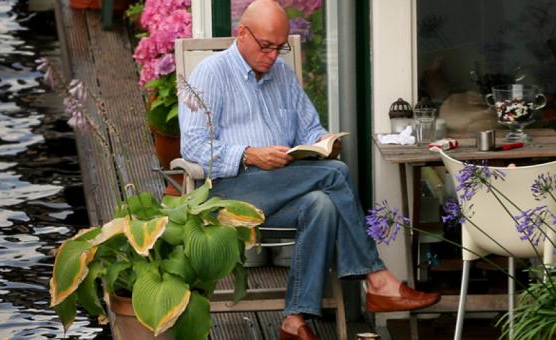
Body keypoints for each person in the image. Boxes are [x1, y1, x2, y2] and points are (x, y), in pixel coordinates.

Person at [176, 1, 440, 339]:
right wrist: (250, 155)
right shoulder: (211, 73)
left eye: (279, 47)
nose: (273, 56)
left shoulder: (282, 74)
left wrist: (323, 141)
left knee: (323, 204)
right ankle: (376, 278)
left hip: (279, 189)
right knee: (335, 174)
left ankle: (294, 320)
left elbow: (308, 128)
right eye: (266, 46)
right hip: (229, 194)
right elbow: (194, 146)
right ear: (242, 33)